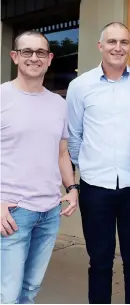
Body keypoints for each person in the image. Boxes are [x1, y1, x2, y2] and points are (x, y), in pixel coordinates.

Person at [66, 22, 130, 304]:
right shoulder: (79, 86)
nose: (118, 47)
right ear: (100, 46)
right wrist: (87, 167)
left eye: (124, 42)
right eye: (111, 42)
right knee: (100, 261)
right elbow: (74, 136)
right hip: (95, 188)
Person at [0, 30, 78, 304]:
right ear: (15, 57)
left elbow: (61, 153)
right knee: (7, 295)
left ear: (49, 59)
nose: (34, 57)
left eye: (41, 52)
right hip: (12, 213)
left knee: (30, 290)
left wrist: (72, 188)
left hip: (49, 211)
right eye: (27, 52)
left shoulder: (58, 104)